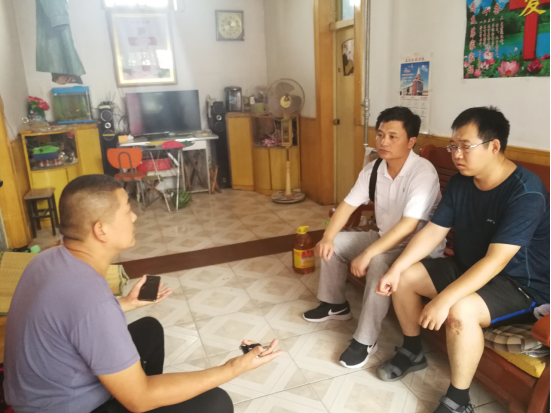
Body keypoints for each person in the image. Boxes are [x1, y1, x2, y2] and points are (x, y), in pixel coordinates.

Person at [4, 175, 283, 413]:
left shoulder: (47, 259)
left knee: (149, 330)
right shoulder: (92, 301)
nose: (134, 216)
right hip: (67, 408)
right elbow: (139, 398)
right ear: (101, 230)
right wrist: (233, 367)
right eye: (127, 210)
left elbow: (68, 319)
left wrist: (125, 303)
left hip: (36, 394)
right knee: (215, 403)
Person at [376, 107, 550, 413]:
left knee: (459, 310)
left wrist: (444, 299)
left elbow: (496, 261)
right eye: (453, 146)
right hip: (468, 267)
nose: (457, 154)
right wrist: (396, 268)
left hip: (521, 286)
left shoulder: (525, 192)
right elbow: (433, 231)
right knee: (403, 276)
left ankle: (458, 400)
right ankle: (413, 351)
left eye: (465, 146)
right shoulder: (462, 182)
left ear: (494, 146)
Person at [303, 107, 446, 369]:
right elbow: (347, 205)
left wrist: (368, 254)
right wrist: (328, 236)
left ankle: (365, 340)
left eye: (393, 136)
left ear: (411, 142)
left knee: (379, 263)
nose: (383, 142)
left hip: (417, 249)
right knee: (335, 245)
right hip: (383, 238)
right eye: (380, 135)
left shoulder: (422, 172)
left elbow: (409, 226)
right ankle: (335, 304)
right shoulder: (375, 168)